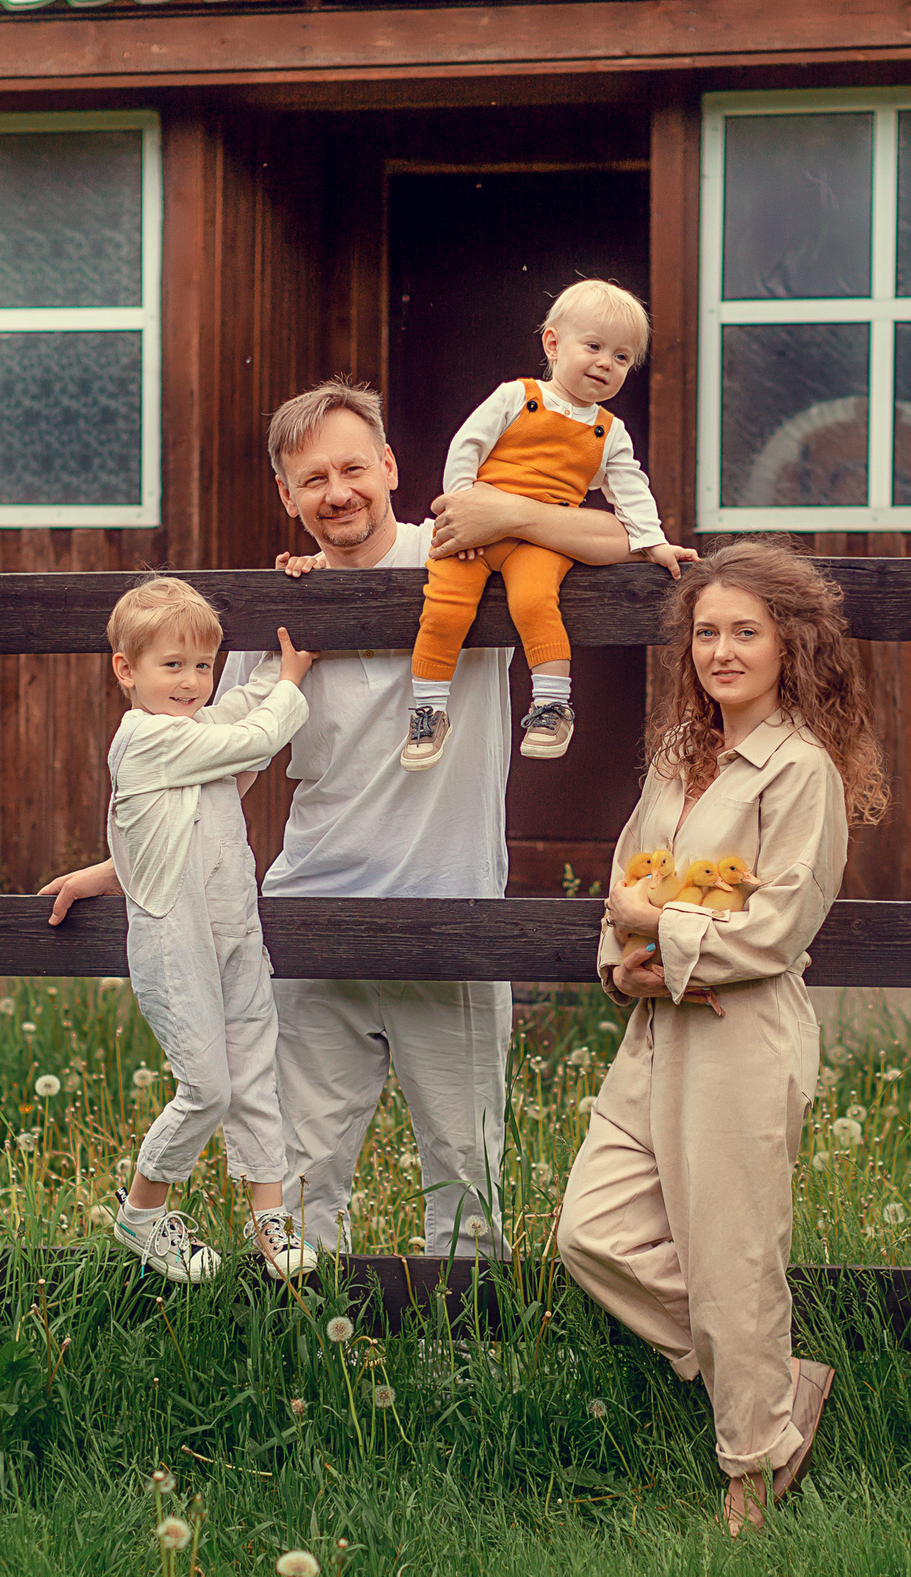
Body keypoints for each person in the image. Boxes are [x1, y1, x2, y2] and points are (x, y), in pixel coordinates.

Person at [232, 376, 635, 1257]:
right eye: (312, 479)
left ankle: (469, 1341)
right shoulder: (284, 604)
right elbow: (221, 768)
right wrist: (124, 865)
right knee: (298, 1183)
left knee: (466, 1182)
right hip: (312, 918)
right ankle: (301, 1335)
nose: (337, 493)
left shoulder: (460, 553)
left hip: (454, 915)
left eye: (352, 469)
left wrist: (508, 514)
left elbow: (621, 539)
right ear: (286, 496)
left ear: (388, 465)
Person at [555, 540, 888, 1536]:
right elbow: (626, 881)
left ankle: (755, 1460)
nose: (722, 651)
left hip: (740, 1035)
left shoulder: (799, 771)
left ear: (791, 646)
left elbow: (777, 928)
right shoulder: (676, 754)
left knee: (733, 1258)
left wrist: (655, 928)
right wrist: (622, 960)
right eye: (707, 632)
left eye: (746, 632)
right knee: (590, 1232)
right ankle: (775, 1383)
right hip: (656, 1027)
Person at [37, 576, 322, 1284]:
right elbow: (256, 734)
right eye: (172, 665)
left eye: (202, 664)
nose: (192, 681)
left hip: (235, 932)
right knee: (207, 1089)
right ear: (126, 670)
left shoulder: (195, 736)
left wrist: (278, 655)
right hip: (177, 942)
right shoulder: (146, 737)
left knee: (254, 1074)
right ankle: (141, 1213)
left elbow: (186, 808)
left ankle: (268, 1218)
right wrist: (290, 680)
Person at [399, 280, 696, 774]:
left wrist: (654, 543)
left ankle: (552, 706)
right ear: (554, 344)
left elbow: (630, 489)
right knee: (446, 606)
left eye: (622, 357)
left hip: (539, 541)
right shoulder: (518, 396)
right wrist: (459, 508)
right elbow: (467, 445)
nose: (605, 363)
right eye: (594, 346)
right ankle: (429, 710)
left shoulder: (608, 431)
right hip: (475, 533)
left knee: (536, 602)